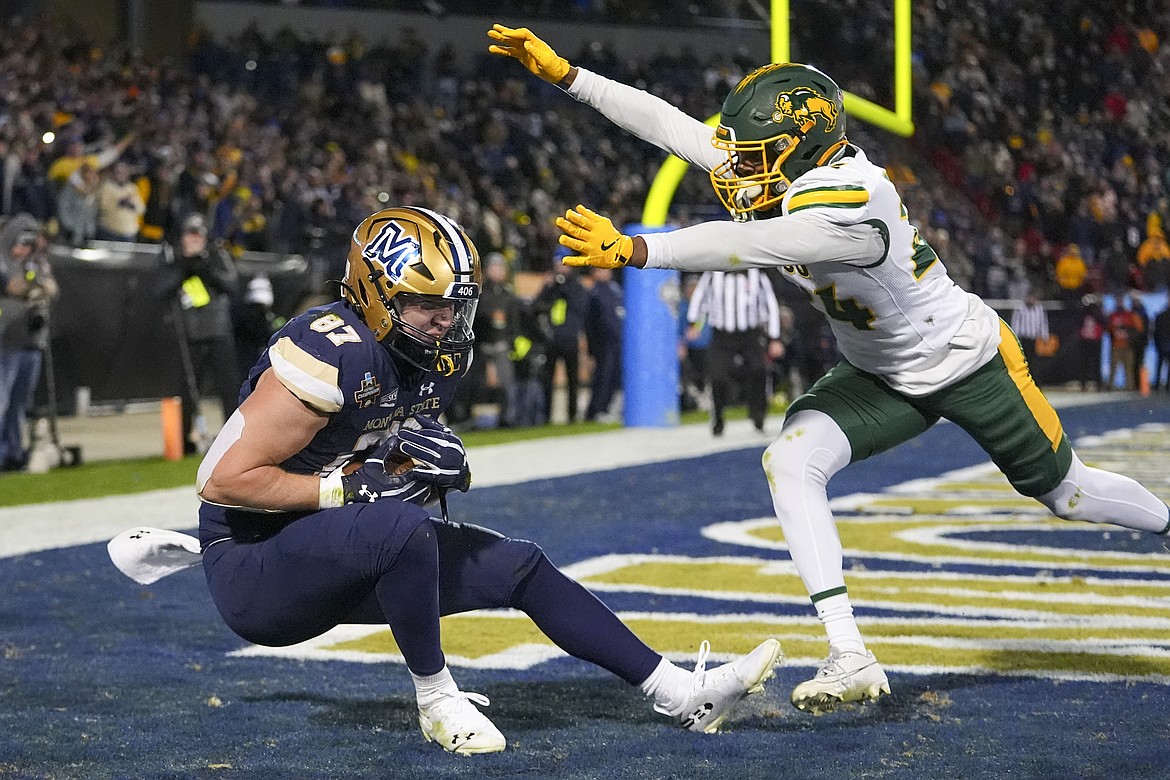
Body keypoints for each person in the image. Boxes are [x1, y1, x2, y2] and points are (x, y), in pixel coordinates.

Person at [488, 26, 1170, 713]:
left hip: (963, 360)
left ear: (799, 148)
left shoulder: (852, 198)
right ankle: (850, 653)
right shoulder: (785, 168)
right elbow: (668, 125)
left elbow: (745, 241)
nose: (736, 167)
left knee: (1066, 494)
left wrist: (639, 249)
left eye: (755, 156)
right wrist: (568, 75)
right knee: (789, 461)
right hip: (878, 373)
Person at [193, 206, 782, 754]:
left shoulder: (435, 358)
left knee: (519, 566)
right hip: (255, 564)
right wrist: (351, 490)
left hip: (342, 543)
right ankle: (436, 698)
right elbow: (222, 481)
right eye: (429, 305)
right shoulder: (329, 351)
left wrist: (422, 466)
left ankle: (680, 693)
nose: (447, 320)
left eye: (457, 304)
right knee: (400, 526)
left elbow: (386, 469)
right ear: (376, 296)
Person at [153, 213, 242, 454]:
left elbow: (233, 286)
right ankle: (182, 442)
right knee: (187, 391)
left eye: (197, 235)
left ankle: (235, 440)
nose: (193, 240)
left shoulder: (217, 256)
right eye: (188, 235)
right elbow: (158, 290)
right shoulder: (173, 258)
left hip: (218, 332)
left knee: (229, 389)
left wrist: (205, 269)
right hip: (189, 335)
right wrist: (183, 269)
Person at [685, 269, 784, 435]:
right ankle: (718, 420)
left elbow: (770, 305)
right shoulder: (712, 274)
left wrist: (774, 337)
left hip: (750, 334)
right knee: (717, 375)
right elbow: (700, 297)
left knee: (758, 371)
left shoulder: (757, 275)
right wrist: (694, 323)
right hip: (722, 334)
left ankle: (758, 416)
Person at [0, 216, 57, 471]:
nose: (24, 248)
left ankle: (12, 451)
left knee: (18, 404)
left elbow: (51, 287)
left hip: (31, 342)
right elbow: (12, 286)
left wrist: (39, 287)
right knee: (1, 402)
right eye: (22, 242)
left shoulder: (36, 261)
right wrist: (33, 289)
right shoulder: (3, 260)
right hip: (6, 341)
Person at [534, 253, 589, 424]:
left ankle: (572, 415)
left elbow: (580, 306)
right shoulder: (550, 286)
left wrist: (563, 286)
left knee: (572, 379)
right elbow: (537, 306)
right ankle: (546, 416)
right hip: (551, 338)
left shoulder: (576, 285)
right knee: (547, 379)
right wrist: (549, 287)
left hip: (569, 338)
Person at [584, 265, 623, 421]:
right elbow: (592, 323)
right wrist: (592, 349)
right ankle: (596, 410)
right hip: (604, 343)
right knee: (603, 376)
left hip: (617, 341)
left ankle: (608, 407)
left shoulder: (616, 290)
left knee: (615, 375)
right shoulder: (595, 293)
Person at [1010, 292, 1049, 368]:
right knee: (1024, 356)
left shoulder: (1039, 309)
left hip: (1035, 338)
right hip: (1024, 337)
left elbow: (1043, 322)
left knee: (1034, 358)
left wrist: (1044, 335)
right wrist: (1015, 335)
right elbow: (1016, 322)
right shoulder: (1020, 308)